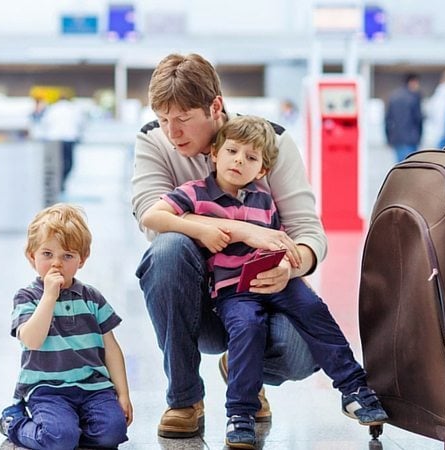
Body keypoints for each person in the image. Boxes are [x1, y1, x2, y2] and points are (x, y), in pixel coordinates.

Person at [141, 116, 388, 448]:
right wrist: (202, 229)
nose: (239, 160)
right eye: (232, 151)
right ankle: (240, 413)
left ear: (261, 170)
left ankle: (354, 388)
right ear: (214, 153)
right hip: (233, 289)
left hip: (276, 278)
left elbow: (289, 237)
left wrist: (289, 265)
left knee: (313, 309)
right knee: (247, 326)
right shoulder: (194, 194)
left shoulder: (263, 199)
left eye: (251, 157)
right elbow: (152, 216)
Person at [131, 52, 322, 439]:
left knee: (303, 350)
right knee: (167, 249)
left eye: (183, 119)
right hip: (197, 297)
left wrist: (291, 265)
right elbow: (149, 216)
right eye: (165, 119)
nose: (172, 131)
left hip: (257, 296)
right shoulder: (153, 139)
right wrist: (240, 231)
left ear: (215, 107)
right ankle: (184, 399)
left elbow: (308, 232)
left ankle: (243, 371)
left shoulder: (271, 143)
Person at [0, 203, 132, 449]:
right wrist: (49, 297)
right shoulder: (27, 297)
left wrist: (123, 394)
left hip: (94, 388)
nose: (56, 264)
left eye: (67, 256)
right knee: (60, 439)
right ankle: (14, 422)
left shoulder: (92, 298)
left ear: (82, 260)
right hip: (48, 390)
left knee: (113, 433)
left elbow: (111, 348)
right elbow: (31, 340)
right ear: (32, 256)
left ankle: (70, 427)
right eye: (47, 254)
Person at [42, 95, 84, 192]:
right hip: (69, 138)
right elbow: (80, 123)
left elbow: (45, 123)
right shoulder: (73, 109)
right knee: (69, 163)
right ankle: (62, 182)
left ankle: (57, 183)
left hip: (54, 139)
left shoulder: (52, 109)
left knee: (54, 164)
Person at [385, 73, 423, 162]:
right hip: (411, 139)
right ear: (412, 82)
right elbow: (419, 119)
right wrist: (419, 136)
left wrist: (388, 137)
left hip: (397, 138)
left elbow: (387, 119)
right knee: (411, 167)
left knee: (400, 167)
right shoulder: (414, 97)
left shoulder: (393, 96)